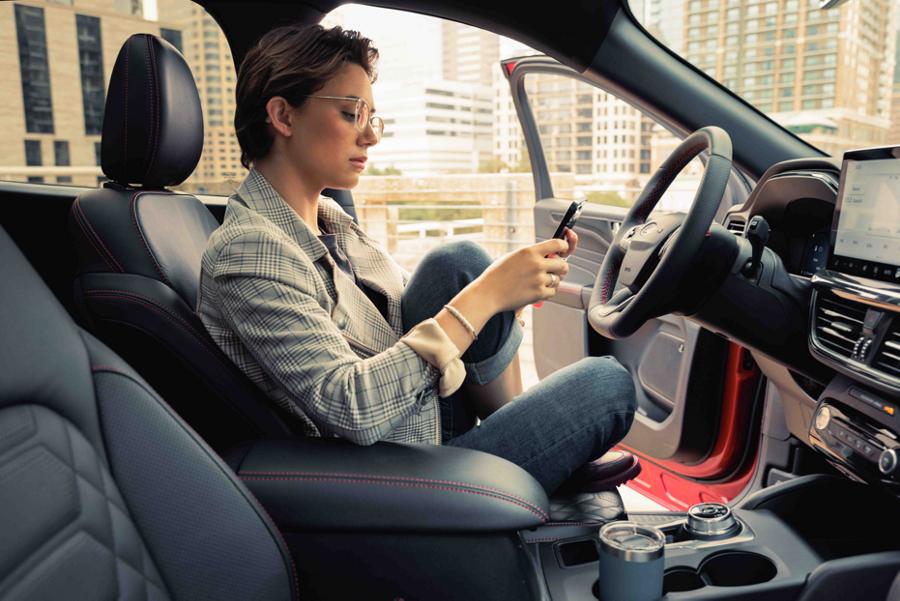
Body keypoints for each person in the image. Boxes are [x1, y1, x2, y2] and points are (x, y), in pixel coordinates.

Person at [196, 23, 637, 495]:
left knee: (459, 261)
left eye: (372, 118)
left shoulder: (328, 219)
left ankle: (522, 452)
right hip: (383, 470)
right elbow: (351, 408)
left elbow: (419, 309)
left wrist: (507, 289)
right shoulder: (248, 250)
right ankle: (522, 466)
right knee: (605, 384)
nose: (370, 137)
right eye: (351, 114)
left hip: (415, 418)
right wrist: (488, 296)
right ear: (283, 116)